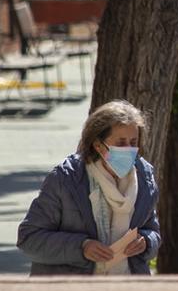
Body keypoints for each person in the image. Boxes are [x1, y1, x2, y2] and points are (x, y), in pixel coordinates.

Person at [17, 100, 160, 276]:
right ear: (99, 146)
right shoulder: (66, 180)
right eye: (121, 143)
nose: (128, 150)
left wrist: (146, 242)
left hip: (127, 289)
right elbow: (29, 239)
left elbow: (152, 230)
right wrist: (81, 247)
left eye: (133, 142)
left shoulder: (144, 178)